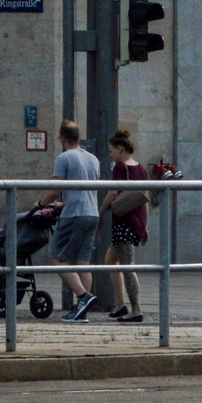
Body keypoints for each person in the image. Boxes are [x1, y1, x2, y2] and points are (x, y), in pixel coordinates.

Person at [46, 120, 102, 319]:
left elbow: (55, 190)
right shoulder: (94, 159)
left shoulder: (64, 158)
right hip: (92, 213)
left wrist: (41, 203)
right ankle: (82, 311)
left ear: (62, 138)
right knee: (82, 262)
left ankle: (83, 296)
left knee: (57, 259)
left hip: (74, 214)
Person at [101, 129, 148, 322]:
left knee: (128, 266)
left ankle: (136, 309)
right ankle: (120, 305)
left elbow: (112, 192)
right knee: (110, 262)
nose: (110, 155)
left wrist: (100, 212)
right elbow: (145, 198)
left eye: (112, 150)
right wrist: (145, 226)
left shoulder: (121, 167)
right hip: (135, 221)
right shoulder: (141, 168)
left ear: (120, 149)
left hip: (124, 223)